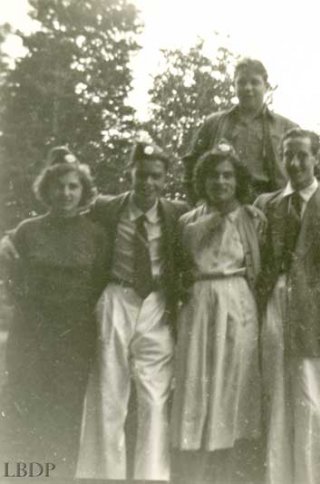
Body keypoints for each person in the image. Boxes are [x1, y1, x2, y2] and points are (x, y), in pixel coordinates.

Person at [254, 127, 320, 484]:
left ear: (317, 158)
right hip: (275, 308)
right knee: (277, 403)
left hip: (317, 316)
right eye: (288, 154)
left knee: (313, 404)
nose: (295, 162)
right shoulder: (267, 204)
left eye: (303, 155)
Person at [76, 140, 189, 482]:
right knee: (109, 391)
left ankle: (152, 476)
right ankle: (104, 474)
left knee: (155, 396)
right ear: (130, 174)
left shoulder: (177, 213)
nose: (148, 183)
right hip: (117, 297)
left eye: (156, 176)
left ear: (165, 178)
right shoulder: (105, 208)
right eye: (141, 175)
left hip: (156, 304)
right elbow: (66, 220)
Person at [0, 148, 107, 478]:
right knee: (27, 406)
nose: (66, 193)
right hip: (31, 333)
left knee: (66, 410)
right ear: (47, 190)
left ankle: (60, 475)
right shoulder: (27, 231)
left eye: (73, 186)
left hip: (74, 336)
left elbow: (101, 282)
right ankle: (25, 475)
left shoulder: (96, 235)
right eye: (59, 186)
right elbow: (10, 274)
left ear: (83, 191)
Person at [170, 142, 265, 483]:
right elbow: (177, 265)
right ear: (203, 180)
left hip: (237, 301)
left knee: (232, 388)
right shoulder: (186, 219)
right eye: (214, 176)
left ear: (237, 180)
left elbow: (259, 266)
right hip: (198, 303)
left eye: (227, 175)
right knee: (196, 386)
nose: (221, 182)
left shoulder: (253, 219)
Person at [182, 58, 298, 202]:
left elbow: (304, 171)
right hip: (221, 206)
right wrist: (198, 201)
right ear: (234, 86)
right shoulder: (213, 124)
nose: (248, 88)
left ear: (266, 86)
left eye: (254, 82)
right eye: (242, 82)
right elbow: (191, 166)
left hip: (270, 206)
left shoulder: (286, 128)